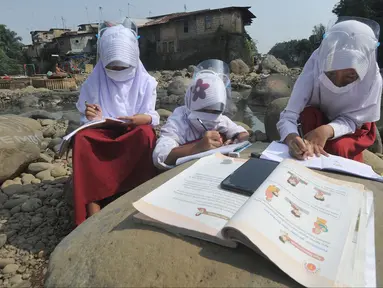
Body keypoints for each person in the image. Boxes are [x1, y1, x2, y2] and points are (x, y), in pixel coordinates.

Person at [72, 21, 159, 225]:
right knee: (82, 139)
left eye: (123, 67)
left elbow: (152, 116)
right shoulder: (94, 81)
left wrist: (140, 119)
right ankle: (93, 202)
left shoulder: (146, 82)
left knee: (146, 134)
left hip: (132, 131)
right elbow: (87, 116)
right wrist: (91, 114)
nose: (118, 71)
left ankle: (137, 190)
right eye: (113, 67)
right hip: (104, 131)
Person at [277, 18, 382, 162]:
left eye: (350, 75)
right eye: (331, 73)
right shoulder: (315, 64)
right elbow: (289, 115)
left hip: (353, 124)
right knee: (308, 116)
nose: (338, 83)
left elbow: (354, 120)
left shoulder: (372, 78)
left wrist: (327, 130)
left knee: (340, 148)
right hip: (319, 114)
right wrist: (291, 138)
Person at [153, 60, 249, 170]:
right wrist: (197, 147)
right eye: (204, 110)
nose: (211, 116)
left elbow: (242, 133)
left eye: (215, 111)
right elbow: (160, 157)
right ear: (192, 105)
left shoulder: (220, 119)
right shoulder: (179, 121)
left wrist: (234, 139)